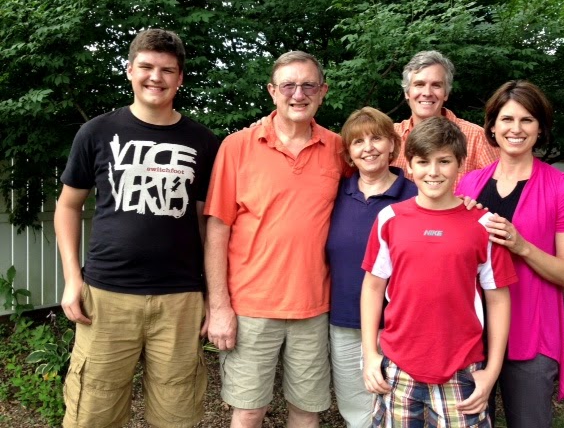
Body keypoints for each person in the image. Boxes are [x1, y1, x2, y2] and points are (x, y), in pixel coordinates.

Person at [54, 29, 219, 428]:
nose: (155, 77)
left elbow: (208, 224)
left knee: (177, 414)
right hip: (106, 296)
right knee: (92, 413)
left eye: (167, 70)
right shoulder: (96, 132)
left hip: (180, 298)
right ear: (129, 70)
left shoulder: (203, 141)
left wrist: (213, 297)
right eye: (146, 66)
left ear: (180, 78)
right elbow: (67, 207)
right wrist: (72, 280)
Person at [203, 51, 347, 428]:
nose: (298, 94)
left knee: (307, 410)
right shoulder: (237, 146)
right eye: (288, 86)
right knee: (249, 410)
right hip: (250, 305)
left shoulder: (338, 149)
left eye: (308, 85)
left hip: (313, 305)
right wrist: (219, 306)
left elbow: (378, 185)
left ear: (323, 92)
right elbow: (217, 230)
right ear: (272, 91)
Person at [360, 116, 517, 427]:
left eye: (444, 161)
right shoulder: (389, 218)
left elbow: (498, 299)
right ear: (409, 165)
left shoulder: (483, 224)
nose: (433, 172)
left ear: (460, 164)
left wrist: (492, 370)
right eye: (423, 162)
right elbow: (373, 287)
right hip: (398, 368)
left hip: (461, 369)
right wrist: (370, 355)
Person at [456, 80, 564, 428]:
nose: (516, 129)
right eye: (507, 119)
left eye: (527, 120)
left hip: (531, 333)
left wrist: (523, 246)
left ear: (540, 128)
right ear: (492, 126)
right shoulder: (469, 184)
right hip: (472, 333)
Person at [326, 107, 417, 428]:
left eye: (377, 138)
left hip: (400, 325)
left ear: (393, 144)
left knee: (403, 411)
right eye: (358, 142)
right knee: (358, 413)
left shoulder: (416, 195)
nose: (368, 148)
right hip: (345, 322)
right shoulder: (336, 193)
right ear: (349, 153)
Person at [392, 50, 499, 186]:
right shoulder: (390, 137)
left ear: (446, 93)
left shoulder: (476, 138)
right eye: (419, 84)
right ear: (407, 92)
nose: (427, 93)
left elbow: (498, 188)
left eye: (436, 85)